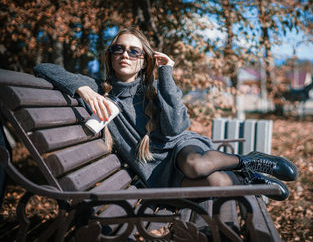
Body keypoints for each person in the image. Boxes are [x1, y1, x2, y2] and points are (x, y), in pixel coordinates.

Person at [34, 26, 298, 201]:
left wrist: (166, 73)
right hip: (156, 172)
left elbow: (176, 128)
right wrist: (82, 89)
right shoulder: (97, 88)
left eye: (134, 51)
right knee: (215, 182)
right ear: (111, 56)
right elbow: (43, 67)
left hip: (181, 148)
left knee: (197, 166)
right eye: (119, 49)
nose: (125, 54)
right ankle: (249, 179)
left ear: (143, 60)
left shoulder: (152, 88)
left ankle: (247, 161)